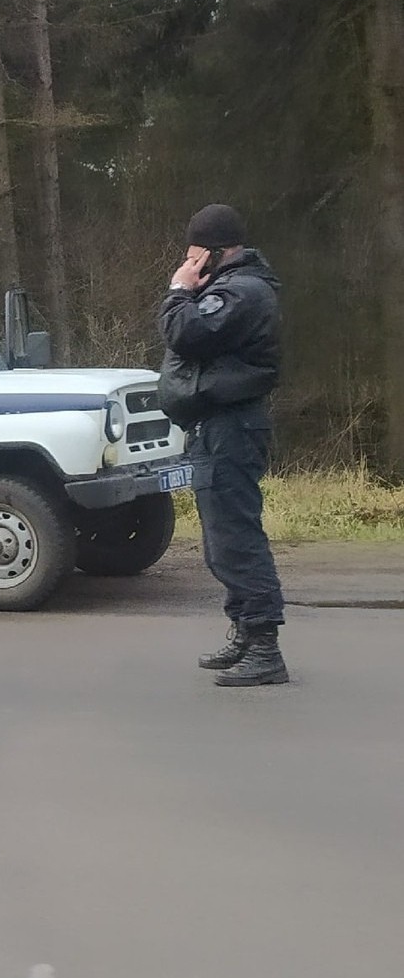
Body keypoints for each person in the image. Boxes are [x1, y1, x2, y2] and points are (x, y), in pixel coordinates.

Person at [158, 203, 288, 687]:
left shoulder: (243, 291)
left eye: (194, 253)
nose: (188, 260)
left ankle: (264, 647)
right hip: (218, 425)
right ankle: (243, 632)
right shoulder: (233, 288)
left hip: (232, 426)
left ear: (212, 251)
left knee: (235, 537)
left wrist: (178, 290)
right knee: (221, 539)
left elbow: (185, 333)